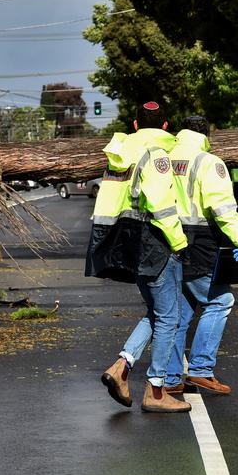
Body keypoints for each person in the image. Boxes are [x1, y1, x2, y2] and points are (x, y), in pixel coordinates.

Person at [88, 101, 191, 413]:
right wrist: (179, 242)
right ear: (165, 127)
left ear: (135, 125)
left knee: (157, 312)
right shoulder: (157, 155)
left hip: (129, 244)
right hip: (156, 244)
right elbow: (161, 205)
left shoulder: (122, 153)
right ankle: (156, 392)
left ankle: (122, 367)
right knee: (170, 318)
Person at [164, 115, 238, 396]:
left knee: (181, 313)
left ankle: (173, 377)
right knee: (220, 300)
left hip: (165, 238)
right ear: (205, 134)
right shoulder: (208, 161)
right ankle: (201, 370)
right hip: (198, 240)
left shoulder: (163, 158)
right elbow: (222, 207)